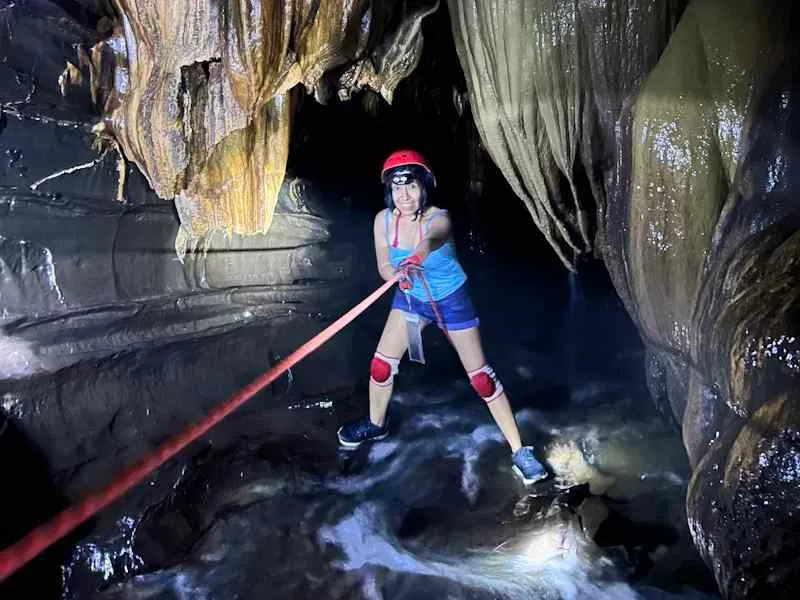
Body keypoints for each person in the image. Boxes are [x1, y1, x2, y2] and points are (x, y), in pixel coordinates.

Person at [337, 149, 548, 485]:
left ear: (425, 187)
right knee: (380, 366)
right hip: (410, 298)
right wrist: (395, 274)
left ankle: (520, 450)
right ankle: (376, 425)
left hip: (451, 302)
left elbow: (432, 240)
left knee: (481, 378)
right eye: (396, 188)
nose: (404, 196)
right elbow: (383, 263)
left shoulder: (440, 218)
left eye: (411, 187)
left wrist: (417, 257)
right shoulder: (383, 221)